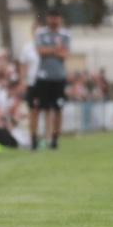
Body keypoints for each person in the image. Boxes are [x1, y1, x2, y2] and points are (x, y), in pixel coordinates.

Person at [34, 9, 70, 149]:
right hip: (44, 77)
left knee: (58, 109)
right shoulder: (41, 33)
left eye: (56, 17)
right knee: (45, 108)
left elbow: (65, 54)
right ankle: (46, 136)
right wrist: (56, 49)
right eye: (52, 17)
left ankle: (55, 137)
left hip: (59, 77)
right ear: (48, 18)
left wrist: (50, 50)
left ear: (59, 19)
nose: (54, 20)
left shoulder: (65, 34)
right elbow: (40, 51)